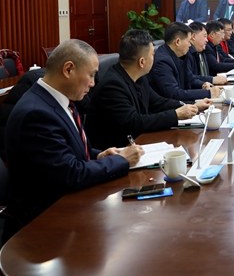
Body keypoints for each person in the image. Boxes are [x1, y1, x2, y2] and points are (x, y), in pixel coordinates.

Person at [3, 39, 144, 236]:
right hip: (44, 224)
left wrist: (98, 155)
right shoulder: (35, 114)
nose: (93, 83)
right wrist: (122, 160)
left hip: (69, 203)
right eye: (91, 75)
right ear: (68, 69)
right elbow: (70, 174)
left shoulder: (58, 100)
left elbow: (67, 150)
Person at [86, 29, 209, 150]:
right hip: (117, 151)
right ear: (142, 62)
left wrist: (192, 106)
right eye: (152, 55)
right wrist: (175, 115)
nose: (154, 58)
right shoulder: (112, 86)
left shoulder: (139, 76)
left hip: (137, 142)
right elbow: (134, 122)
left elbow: (157, 102)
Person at [149, 22, 222, 101]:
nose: (190, 45)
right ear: (177, 42)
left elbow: (190, 78)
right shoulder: (162, 62)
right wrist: (208, 93)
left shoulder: (180, 55)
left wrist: (202, 85)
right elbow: (174, 93)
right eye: (188, 42)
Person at [187, 22, 229, 87]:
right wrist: (212, 80)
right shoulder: (187, 53)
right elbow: (190, 78)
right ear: (193, 36)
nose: (207, 40)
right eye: (204, 36)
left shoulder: (201, 51)